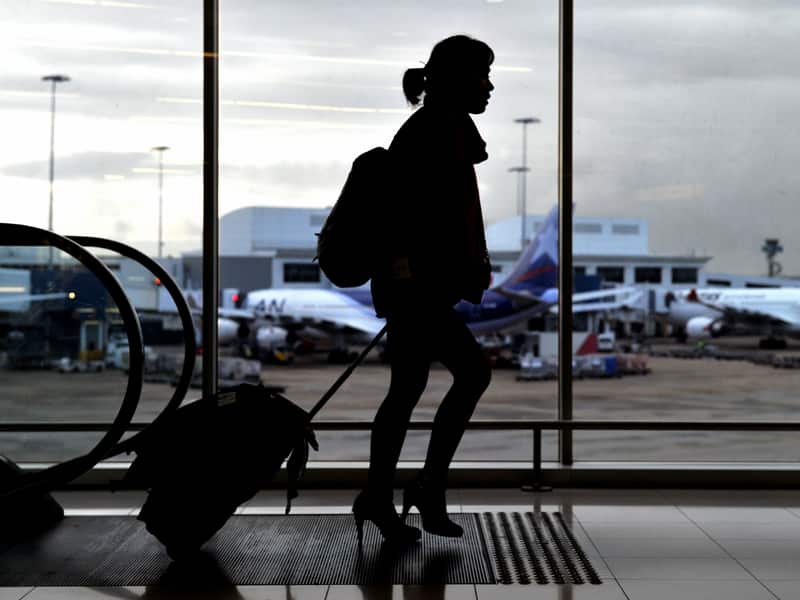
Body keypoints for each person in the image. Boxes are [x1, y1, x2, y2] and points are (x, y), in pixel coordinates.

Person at [352, 34, 495, 545]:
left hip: (411, 287)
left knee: (406, 391)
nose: (490, 85)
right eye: (481, 74)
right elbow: (415, 219)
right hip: (417, 290)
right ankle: (427, 486)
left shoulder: (438, 128)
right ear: (457, 79)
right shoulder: (435, 132)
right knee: (473, 374)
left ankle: (381, 495)